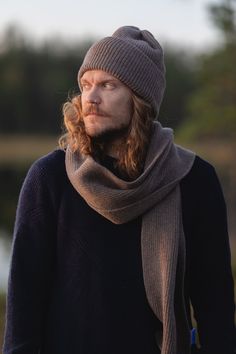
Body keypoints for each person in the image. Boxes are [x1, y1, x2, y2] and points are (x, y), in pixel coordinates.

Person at [3, 26, 235, 354]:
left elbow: (216, 311)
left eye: (108, 85)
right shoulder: (50, 178)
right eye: (86, 85)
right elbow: (23, 313)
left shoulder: (193, 179)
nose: (91, 99)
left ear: (140, 99)